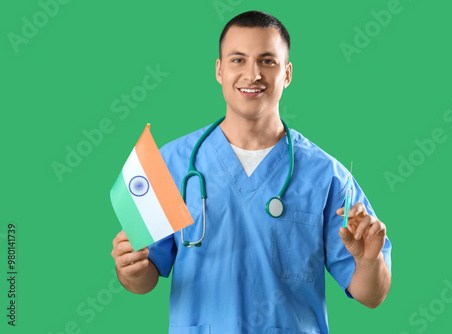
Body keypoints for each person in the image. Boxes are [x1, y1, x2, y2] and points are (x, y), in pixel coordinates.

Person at [111, 10, 392, 333]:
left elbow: (371, 295)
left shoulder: (327, 176)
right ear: (219, 70)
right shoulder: (171, 163)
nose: (252, 74)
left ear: (287, 74)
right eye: (238, 60)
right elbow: (145, 277)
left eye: (268, 61)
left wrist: (370, 261)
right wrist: (130, 270)